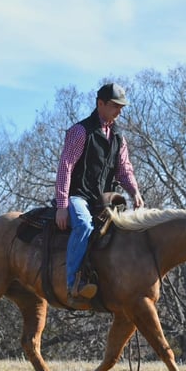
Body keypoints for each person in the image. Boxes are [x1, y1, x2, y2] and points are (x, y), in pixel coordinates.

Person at [55, 82, 145, 308]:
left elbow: (124, 169)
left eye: (121, 107)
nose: (119, 111)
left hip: (103, 200)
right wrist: (62, 205)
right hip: (78, 197)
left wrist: (134, 191)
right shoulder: (80, 131)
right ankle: (73, 283)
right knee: (84, 225)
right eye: (115, 106)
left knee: (125, 232)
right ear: (100, 104)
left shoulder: (118, 137)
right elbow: (65, 166)